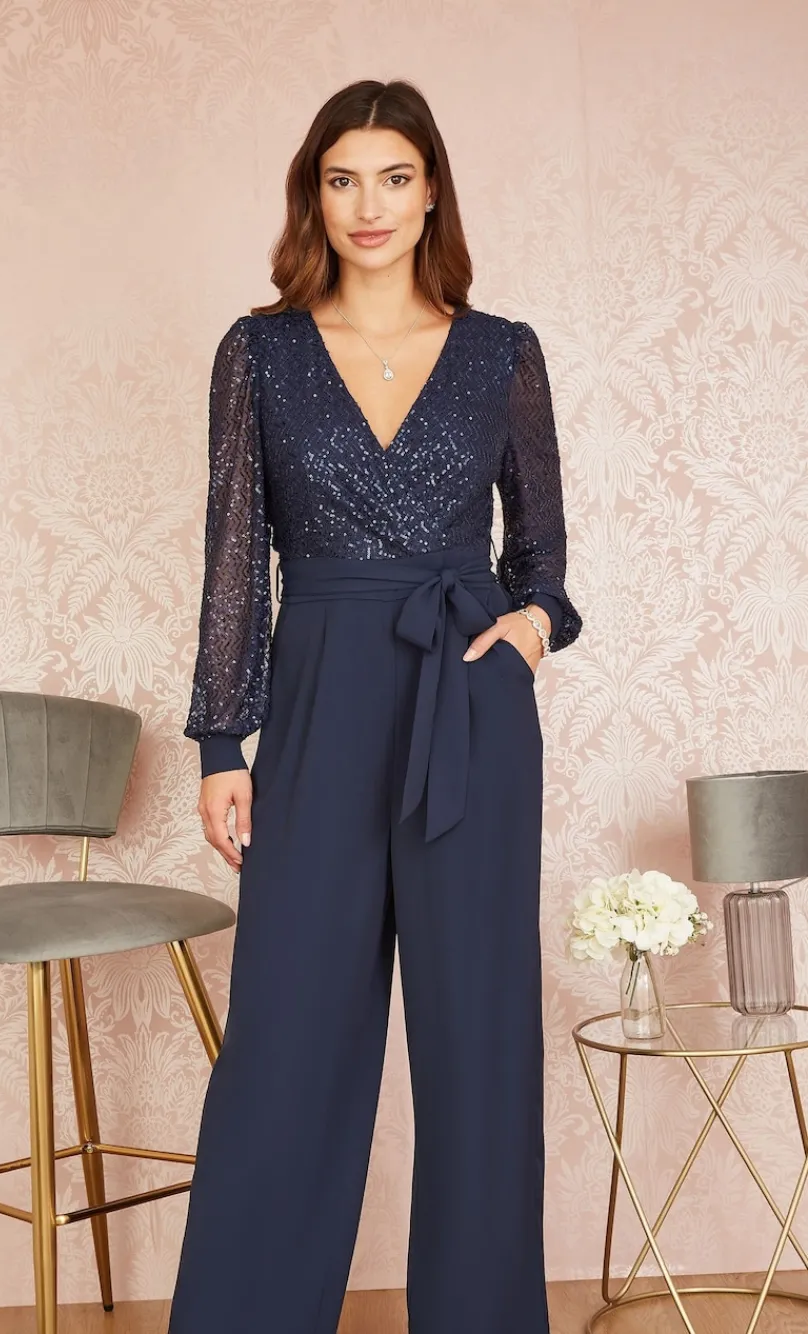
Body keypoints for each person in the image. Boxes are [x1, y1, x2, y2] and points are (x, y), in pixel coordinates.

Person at [170, 77, 582, 1334]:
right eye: (342, 178)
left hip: (470, 709)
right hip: (319, 706)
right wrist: (221, 740)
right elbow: (235, 557)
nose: (369, 205)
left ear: (431, 190)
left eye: (393, 177)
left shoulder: (502, 352)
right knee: (288, 1037)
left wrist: (527, 632)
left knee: (478, 1042)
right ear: (313, 193)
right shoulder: (261, 353)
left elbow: (543, 562)